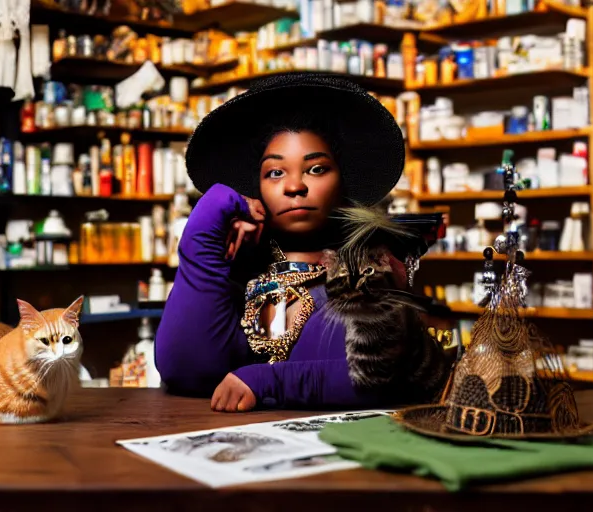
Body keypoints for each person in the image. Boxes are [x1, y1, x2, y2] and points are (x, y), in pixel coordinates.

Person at [155, 73, 448, 412]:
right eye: (275, 173)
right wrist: (216, 207)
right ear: (257, 189)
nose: (294, 186)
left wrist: (268, 381)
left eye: (316, 169)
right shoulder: (244, 277)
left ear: (342, 184)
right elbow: (186, 370)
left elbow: (373, 379)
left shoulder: (372, 269)